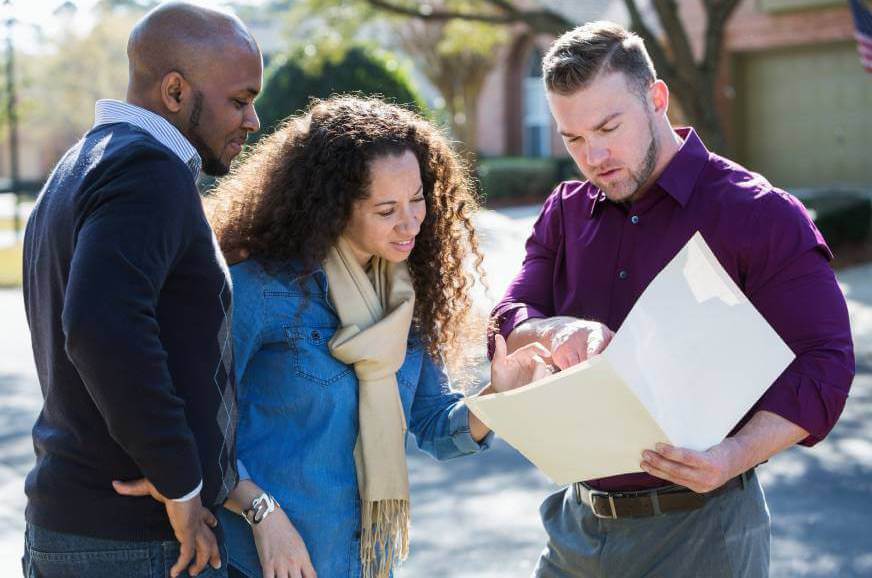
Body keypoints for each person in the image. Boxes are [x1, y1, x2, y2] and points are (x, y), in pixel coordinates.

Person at [490, 21, 855, 577]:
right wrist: (553, 330)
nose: (594, 155)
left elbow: (825, 365)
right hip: (575, 531)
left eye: (609, 127)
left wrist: (731, 457)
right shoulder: (564, 210)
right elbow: (510, 316)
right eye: (573, 139)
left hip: (704, 533)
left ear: (656, 98)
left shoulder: (758, 213)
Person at [204, 95, 549, 578]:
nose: (410, 223)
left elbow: (434, 426)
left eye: (417, 200)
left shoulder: (405, 297)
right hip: (256, 561)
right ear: (334, 209)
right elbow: (196, 428)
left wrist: (498, 396)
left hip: (359, 564)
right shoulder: (260, 292)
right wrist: (263, 513)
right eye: (386, 209)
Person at [21, 3, 262, 577]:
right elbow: (102, 326)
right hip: (135, 543)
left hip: (79, 529)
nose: (253, 120)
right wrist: (180, 483)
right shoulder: (147, 172)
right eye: (240, 99)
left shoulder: (81, 163)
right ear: (175, 92)